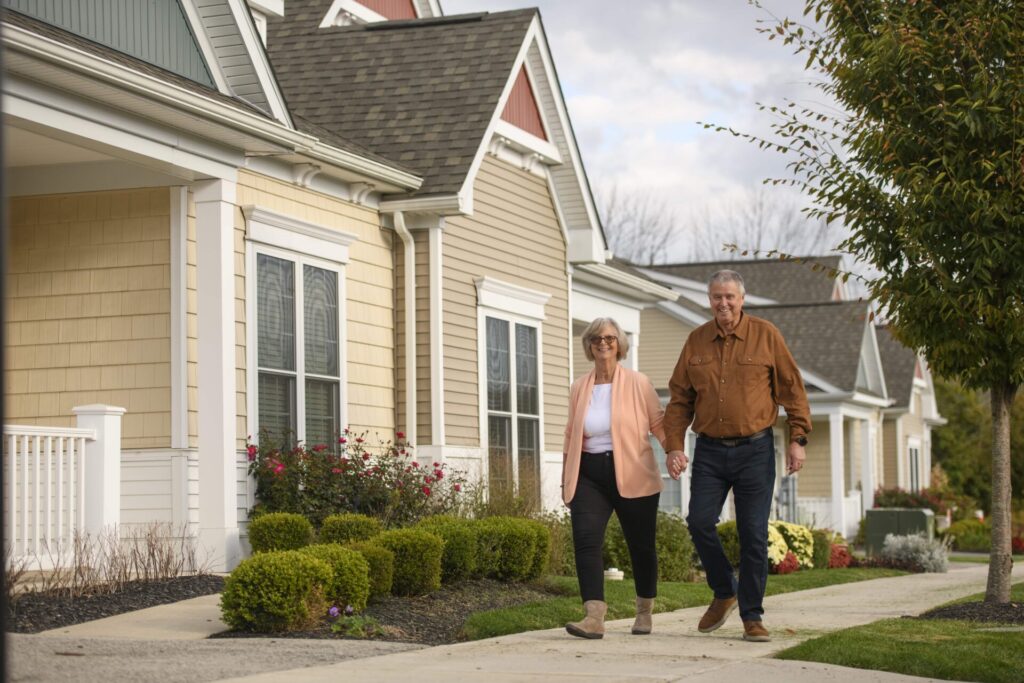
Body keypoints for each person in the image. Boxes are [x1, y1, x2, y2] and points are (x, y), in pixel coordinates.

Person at [664, 270, 810, 643]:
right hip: (710, 450)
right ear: (709, 300)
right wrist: (675, 446)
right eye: (717, 297)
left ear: (742, 299)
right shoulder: (696, 341)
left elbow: (792, 389)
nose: (723, 303)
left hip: (756, 450)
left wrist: (798, 438)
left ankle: (752, 616)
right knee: (698, 521)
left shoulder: (766, 335)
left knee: (753, 534)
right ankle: (724, 590)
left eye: (730, 297)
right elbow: (680, 398)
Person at [562, 317, 667, 639]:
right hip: (589, 474)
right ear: (589, 345)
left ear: (619, 344)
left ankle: (644, 612)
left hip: (633, 471)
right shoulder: (580, 386)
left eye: (609, 337)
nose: (603, 342)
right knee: (586, 541)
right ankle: (594, 617)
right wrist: (567, 475)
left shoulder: (638, 382)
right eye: (596, 338)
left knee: (641, 546)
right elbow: (571, 434)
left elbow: (658, 422)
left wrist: (674, 452)